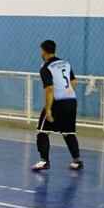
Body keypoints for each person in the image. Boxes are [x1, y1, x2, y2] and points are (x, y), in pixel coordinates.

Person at [33, 40, 83, 171]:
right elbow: (74, 81)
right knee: (68, 132)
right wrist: (66, 92)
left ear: (43, 51)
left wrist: (48, 109)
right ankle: (77, 161)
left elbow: (49, 89)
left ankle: (44, 161)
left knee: (42, 131)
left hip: (57, 102)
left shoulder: (45, 67)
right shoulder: (65, 63)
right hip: (71, 100)